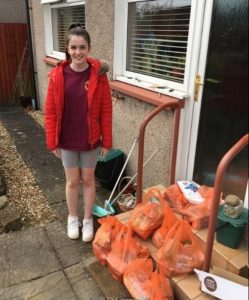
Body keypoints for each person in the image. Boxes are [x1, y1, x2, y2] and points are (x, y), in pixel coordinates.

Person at [44, 23, 112, 242]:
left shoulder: (98, 76)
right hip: (67, 139)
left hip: (90, 139)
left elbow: (106, 110)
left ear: (89, 48)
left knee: (89, 180)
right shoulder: (57, 76)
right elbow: (50, 111)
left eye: (82, 47)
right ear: (68, 48)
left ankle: (87, 219)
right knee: (72, 181)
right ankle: (72, 217)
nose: (78, 52)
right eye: (74, 47)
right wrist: (51, 141)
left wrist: (107, 142)